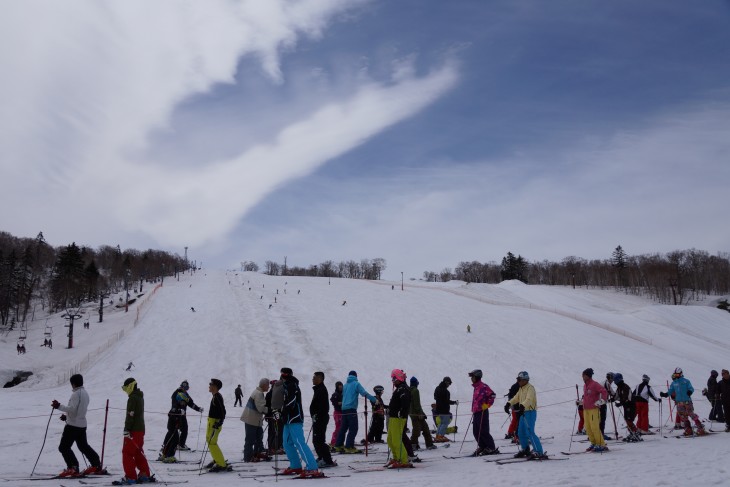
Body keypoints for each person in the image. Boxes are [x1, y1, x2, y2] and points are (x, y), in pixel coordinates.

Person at [52, 374, 103, 478]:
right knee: (83, 446)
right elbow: (79, 410)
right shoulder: (85, 393)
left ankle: (73, 467)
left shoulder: (76, 394)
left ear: (73, 384)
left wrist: (58, 406)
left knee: (64, 447)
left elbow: (72, 408)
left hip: (73, 426)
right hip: (82, 424)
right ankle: (96, 464)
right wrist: (67, 417)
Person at [279, 367, 323, 478]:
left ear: (289, 375)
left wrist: (283, 412)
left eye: (284, 375)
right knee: (286, 443)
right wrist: (279, 412)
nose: (283, 377)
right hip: (287, 420)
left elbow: (292, 401)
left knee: (299, 442)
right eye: (282, 375)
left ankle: (312, 467)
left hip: (294, 418)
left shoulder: (292, 385)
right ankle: (295, 465)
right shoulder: (285, 385)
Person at [118, 378, 152, 485]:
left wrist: (127, 428)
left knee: (127, 453)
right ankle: (144, 474)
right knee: (138, 452)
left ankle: (130, 477)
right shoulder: (140, 397)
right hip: (140, 429)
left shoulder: (132, 398)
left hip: (133, 430)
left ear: (130, 387)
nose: (125, 391)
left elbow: (130, 414)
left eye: (126, 388)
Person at [334, 371, 376, 453]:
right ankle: (349, 446)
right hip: (351, 409)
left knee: (343, 428)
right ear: (356, 376)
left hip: (344, 409)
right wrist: (374, 399)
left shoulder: (345, 385)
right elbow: (363, 393)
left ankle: (338, 445)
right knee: (353, 428)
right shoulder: (356, 384)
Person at [507, 371, 546, 459]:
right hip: (523, 412)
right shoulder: (521, 388)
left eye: (519, 379)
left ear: (525, 380)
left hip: (530, 412)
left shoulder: (530, 388)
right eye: (517, 379)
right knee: (521, 432)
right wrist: (508, 404)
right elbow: (516, 398)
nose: (518, 381)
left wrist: (522, 405)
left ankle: (538, 451)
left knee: (530, 432)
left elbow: (529, 399)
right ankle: (525, 449)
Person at [660, 367, 706, 436]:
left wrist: (689, 391)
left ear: (681, 374)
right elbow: (671, 391)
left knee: (691, 414)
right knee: (683, 416)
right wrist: (665, 394)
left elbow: (691, 388)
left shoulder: (686, 381)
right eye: (675, 374)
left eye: (678, 374)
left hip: (687, 401)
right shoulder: (674, 383)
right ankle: (688, 429)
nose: (676, 376)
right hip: (679, 402)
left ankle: (700, 428)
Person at [386, 369, 412, 468]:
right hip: (393, 417)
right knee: (390, 439)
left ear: (398, 377)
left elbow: (405, 403)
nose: (392, 381)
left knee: (396, 439)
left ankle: (404, 460)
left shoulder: (403, 388)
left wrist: (401, 412)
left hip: (398, 418)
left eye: (394, 378)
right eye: (392, 378)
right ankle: (396, 457)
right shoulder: (399, 388)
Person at [468, 369, 498, 456]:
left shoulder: (483, 386)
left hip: (482, 412)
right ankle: (482, 446)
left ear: (477, 377)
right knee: (476, 431)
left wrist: (486, 405)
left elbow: (492, 395)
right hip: (476, 412)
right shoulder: (476, 387)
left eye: (472, 377)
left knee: (483, 430)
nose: (471, 379)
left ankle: (491, 447)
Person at [310, 371, 335, 468]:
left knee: (319, 440)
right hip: (318, 418)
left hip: (320, 419)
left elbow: (323, 407)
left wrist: (317, 415)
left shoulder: (321, 390)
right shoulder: (318, 389)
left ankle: (327, 460)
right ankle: (321, 457)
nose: (313, 379)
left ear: (320, 379)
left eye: (314, 377)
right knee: (316, 440)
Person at [241, 378, 270, 462]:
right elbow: (260, 408)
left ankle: (256, 453)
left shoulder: (258, 392)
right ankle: (248, 457)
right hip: (251, 419)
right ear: (264, 385)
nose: (269, 387)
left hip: (254, 420)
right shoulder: (259, 393)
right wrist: (271, 410)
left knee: (258, 436)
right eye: (268, 385)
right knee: (250, 439)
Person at [206, 378, 230, 472]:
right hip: (211, 422)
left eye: (210, 384)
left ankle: (221, 463)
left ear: (215, 387)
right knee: (209, 440)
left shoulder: (217, 397)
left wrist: (219, 422)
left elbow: (223, 411)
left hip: (215, 423)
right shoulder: (215, 396)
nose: (209, 386)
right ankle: (217, 459)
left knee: (212, 442)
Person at [171, 380, 203, 451]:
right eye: (184, 388)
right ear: (181, 386)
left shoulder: (185, 394)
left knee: (184, 429)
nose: (185, 389)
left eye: (186, 388)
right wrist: (178, 410)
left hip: (182, 415)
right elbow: (174, 403)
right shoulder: (177, 393)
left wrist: (198, 409)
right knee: (174, 430)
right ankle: (166, 445)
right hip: (176, 414)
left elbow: (191, 403)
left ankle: (181, 444)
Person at [582, 368, 609, 452]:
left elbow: (604, 391)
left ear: (588, 376)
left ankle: (601, 444)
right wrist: (580, 402)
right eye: (582, 375)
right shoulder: (585, 385)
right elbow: (587, 397)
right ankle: (593, 443)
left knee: (595, 427)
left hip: (594, 409)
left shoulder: (594, 384)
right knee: (588, 427)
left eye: (584, 375)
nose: (582, 377)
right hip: (586, 409)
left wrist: (602, 400)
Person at [409, 377, 436, 451]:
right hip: (416, 414)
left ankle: (428, 444)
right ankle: (413, 444)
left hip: (412, 414)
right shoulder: (415, 391)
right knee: (417, 430)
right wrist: (420, 413)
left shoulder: (409, 390)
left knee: (424, 428)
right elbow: (417, 404)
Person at [613, 373, 641, 442]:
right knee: (627, 420)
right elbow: (616, 396)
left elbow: (626, 398)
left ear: (618, 380)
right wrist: (610, 400)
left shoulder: (625, 387)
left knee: (629, 421)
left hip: (631, 406)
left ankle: (636, 433)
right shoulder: (619, 388)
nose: (614, 382)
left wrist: (620, 404)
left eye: (615, 380)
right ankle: (632, 433)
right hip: (626, 406)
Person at [159, 397, 184, 463]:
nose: (183, 403)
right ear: (179, 401)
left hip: (172, 427)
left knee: (170, 440)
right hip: (172, 427)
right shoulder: (176, 407)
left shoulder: (178, 407)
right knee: (175, 441)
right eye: (183, 402)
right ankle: (169, 456)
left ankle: (165, 455)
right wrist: (177, 419)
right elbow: (170, 415)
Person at [433, 377, 457, 442]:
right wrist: (454, 402)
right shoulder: (446, 391)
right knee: (445, 423)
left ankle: (438, 436)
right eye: (449, 383)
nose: (449, 385)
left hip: (439, 409)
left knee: (441, 423)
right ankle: (441, 436)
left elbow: (435, 397)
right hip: (445, 410)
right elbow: (447, 401)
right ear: (446, 382)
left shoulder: (437, 388)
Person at [266, 379, 285, 455]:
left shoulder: (271, 394)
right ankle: (274, 447)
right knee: (276, 431)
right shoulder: (272, 394)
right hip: (274, 416)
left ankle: (274, 447)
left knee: (275, 431)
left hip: (274, 415)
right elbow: (268, 406)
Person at [601, 372, 616, 441]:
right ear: (610, 378)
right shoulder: (607, 383)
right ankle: (601, 434)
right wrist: (616, 398)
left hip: (598, 402)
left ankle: (597, 433)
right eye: (612, 379)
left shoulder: (603, 382)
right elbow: (613, 393)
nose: (613, 380)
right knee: (602, 419)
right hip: (602, 403)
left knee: (598, 419)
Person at [505, 378, 521, 443]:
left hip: (513, 406)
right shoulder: (518, 386)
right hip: (517, 406)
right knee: (518, 420)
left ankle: (511, 432)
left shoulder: (514, 386)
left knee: (515, 420)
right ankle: (517, 436)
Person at [329, 381, 343, 448]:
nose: (340, 387)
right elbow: (332, 400)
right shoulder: (335, 394)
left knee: (342, 427)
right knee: (338, 427)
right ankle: (333, 442)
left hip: (342, 412)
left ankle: (339, 441)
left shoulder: (343, 394)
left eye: (341, 386)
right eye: (339, 386)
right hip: (337, 412)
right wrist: (338, 403)